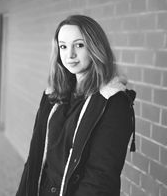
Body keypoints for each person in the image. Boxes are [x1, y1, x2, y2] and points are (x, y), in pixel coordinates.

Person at [16, 15, 136, 196]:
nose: (70, 54)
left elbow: (100, 178)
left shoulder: (113, 102)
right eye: (63, 46)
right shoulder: (53, 95)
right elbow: (35, 156)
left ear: (95, 47)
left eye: (79, 45)